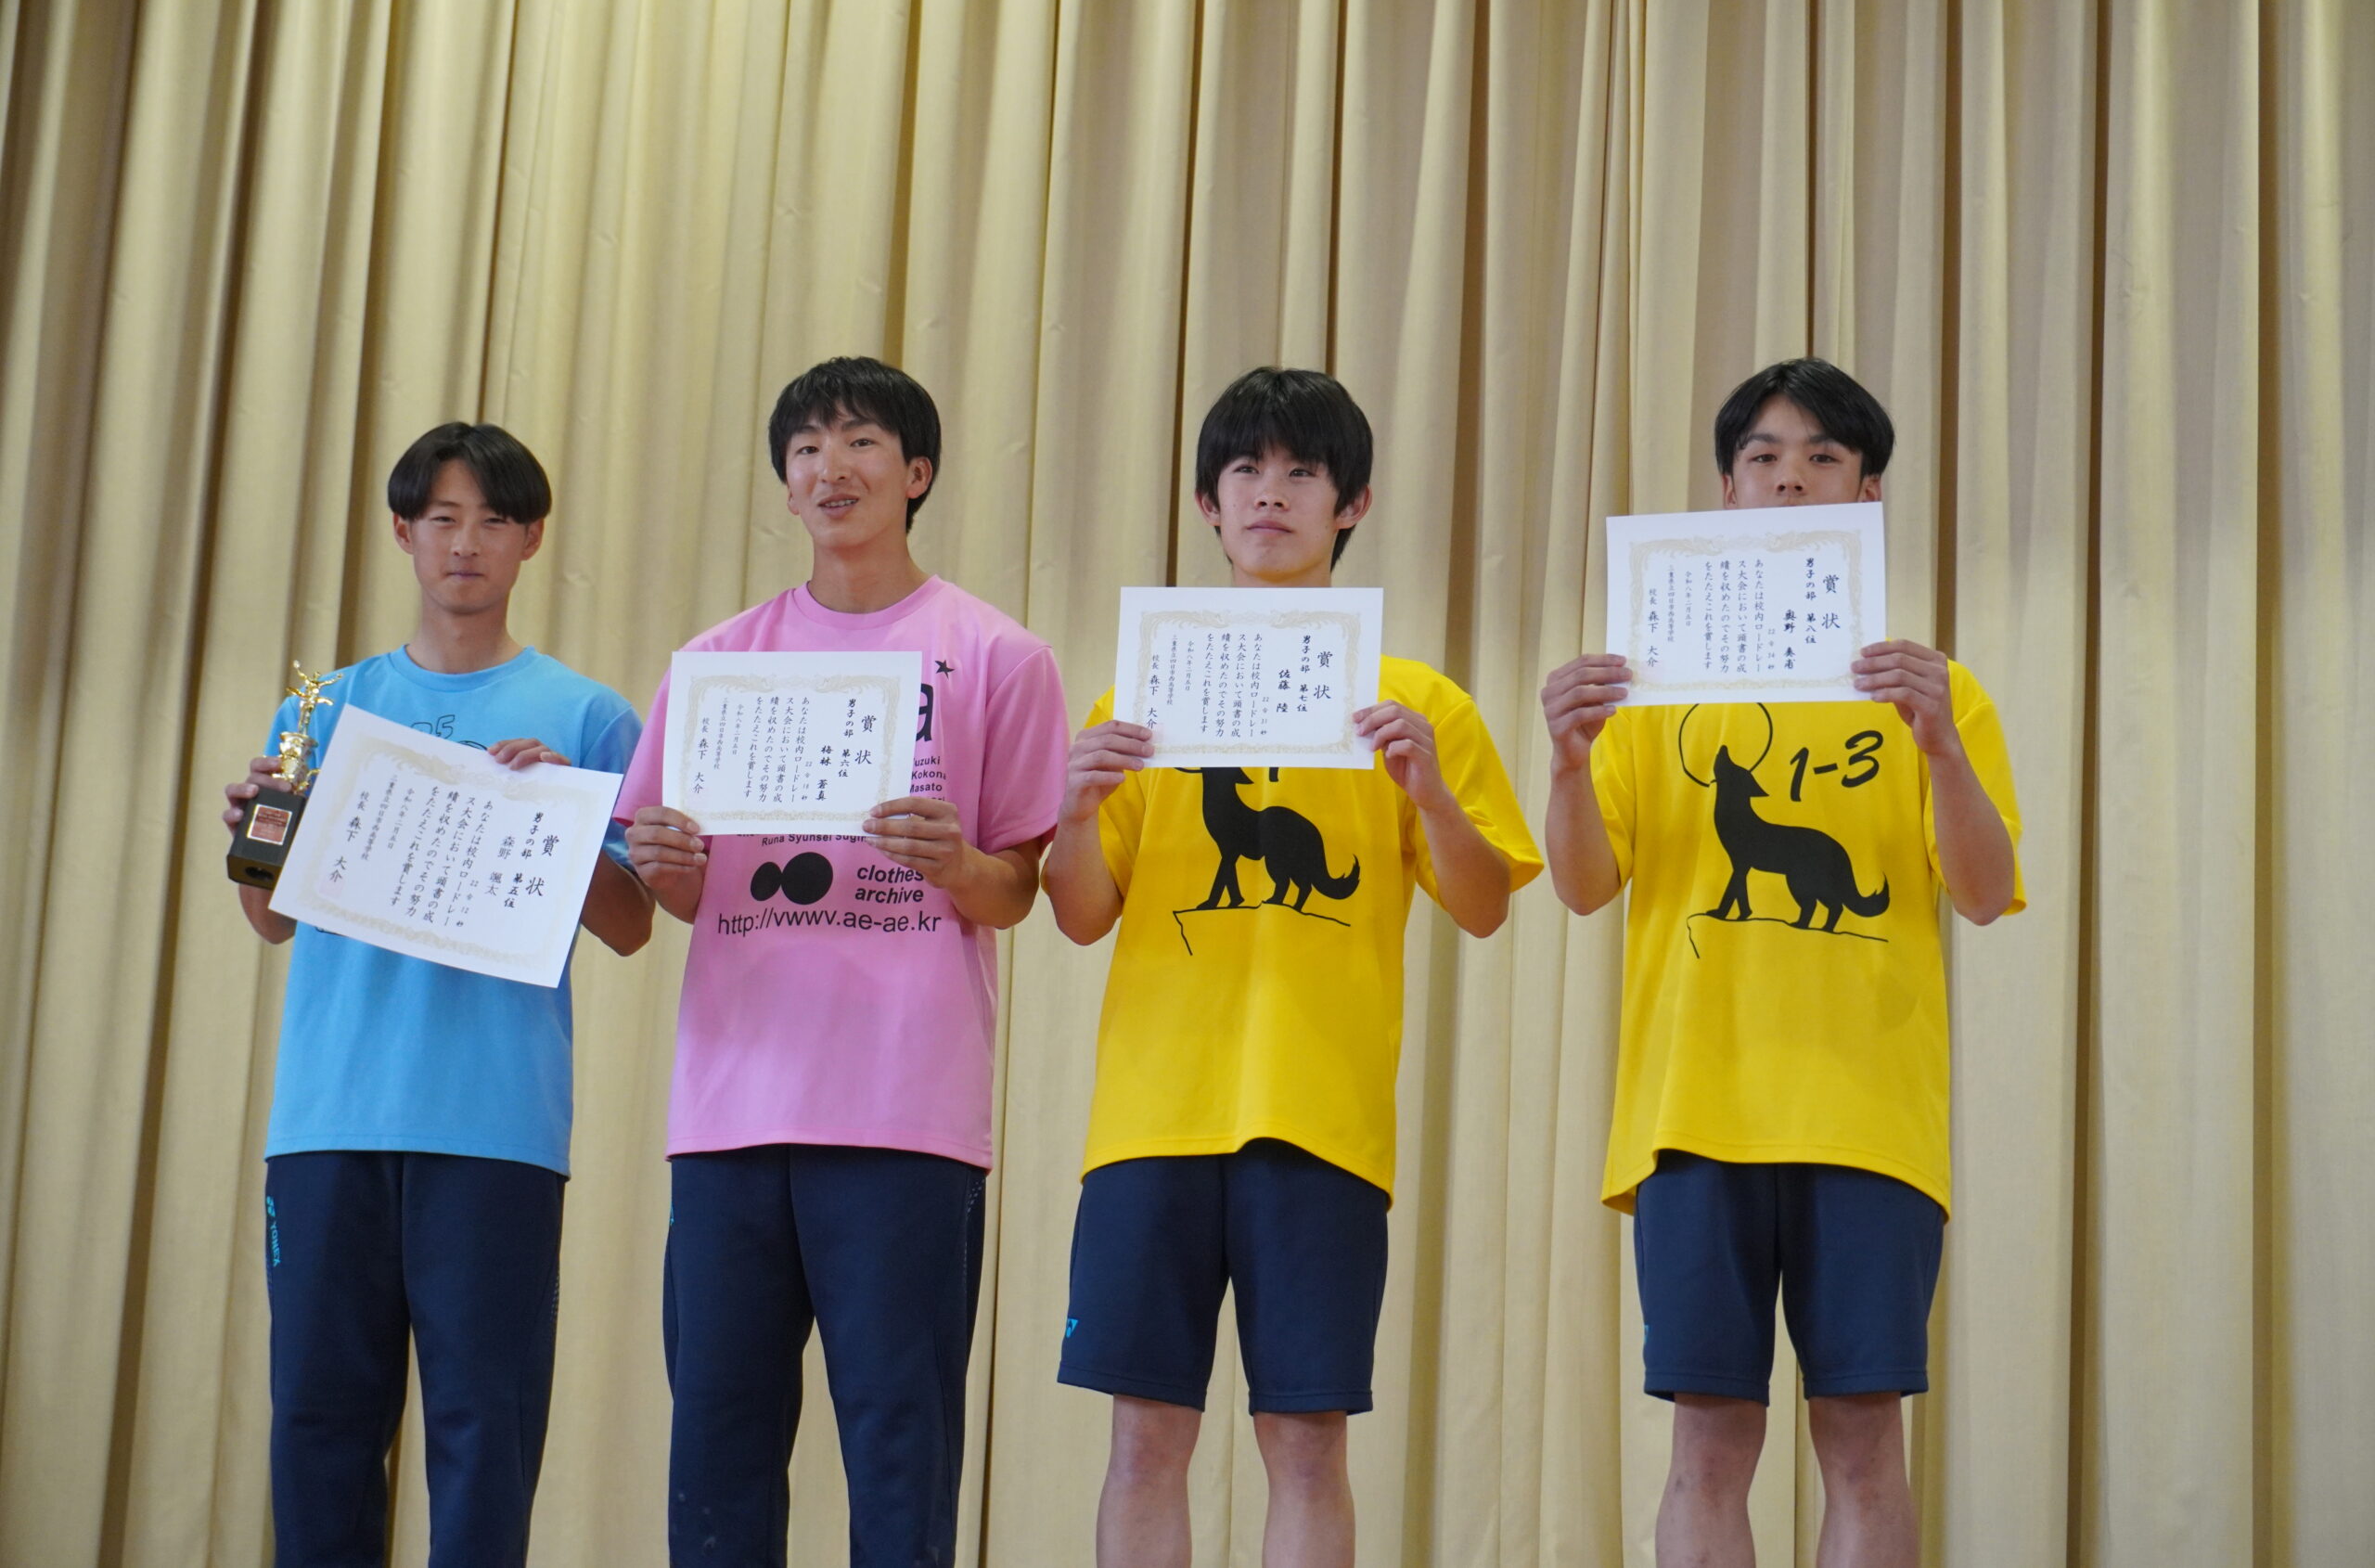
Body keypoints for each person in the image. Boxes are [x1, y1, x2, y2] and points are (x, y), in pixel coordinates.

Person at [1044, 366, 1542, 1568]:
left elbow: (1484, 906)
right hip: (1152, 1116)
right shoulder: (1138, 696)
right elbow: (1080, 914)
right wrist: (1074, 809)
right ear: (1207, 504)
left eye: (1301, 472)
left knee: (1305, 1440)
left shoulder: (1414, 702)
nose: (1271, 493)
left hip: (1322, 1118)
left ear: (1351, 503)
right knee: (1144, 1436)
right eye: (1246, 471)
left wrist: (1430, 789)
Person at [1539, 357, 2024, 1568]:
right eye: (1762, 457)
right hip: (1691, 1114)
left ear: (1868, 491)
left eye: (1822, 457)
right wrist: (1566, 761)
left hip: (1868, 1119)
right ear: (1726, 489)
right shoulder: (1649, 687)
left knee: (1862, 1439)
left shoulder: (1932, 691)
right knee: (1706, 1443)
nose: (1790, 478)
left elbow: (1981, 892)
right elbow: (1584, 885)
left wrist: (1940, 745)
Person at [617, 356, 1071, 1565]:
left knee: (899, 1446)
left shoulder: (999, 655)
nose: (832, 467)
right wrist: (663, 863)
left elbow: (1019, 887)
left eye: (862, 441)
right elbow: (681, 891)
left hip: (906, 1111)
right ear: (783, 481)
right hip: (731, 1111)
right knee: (717, 1448)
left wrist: (956, 861)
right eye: (807, 447)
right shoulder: (717, 662)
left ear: (916, 473)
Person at [221, 421, 652, 1567]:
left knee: (483, 1433)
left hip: (495, 1127)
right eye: (443, 519)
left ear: (532, 540)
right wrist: (259, 835)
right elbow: (269, 915)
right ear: (401, 533)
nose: (467, 543)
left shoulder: (587, 716)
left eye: (495, 521)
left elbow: (632, 925)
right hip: (329, 1118)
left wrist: (562, 816)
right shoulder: (321, 707)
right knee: (319, 1426)